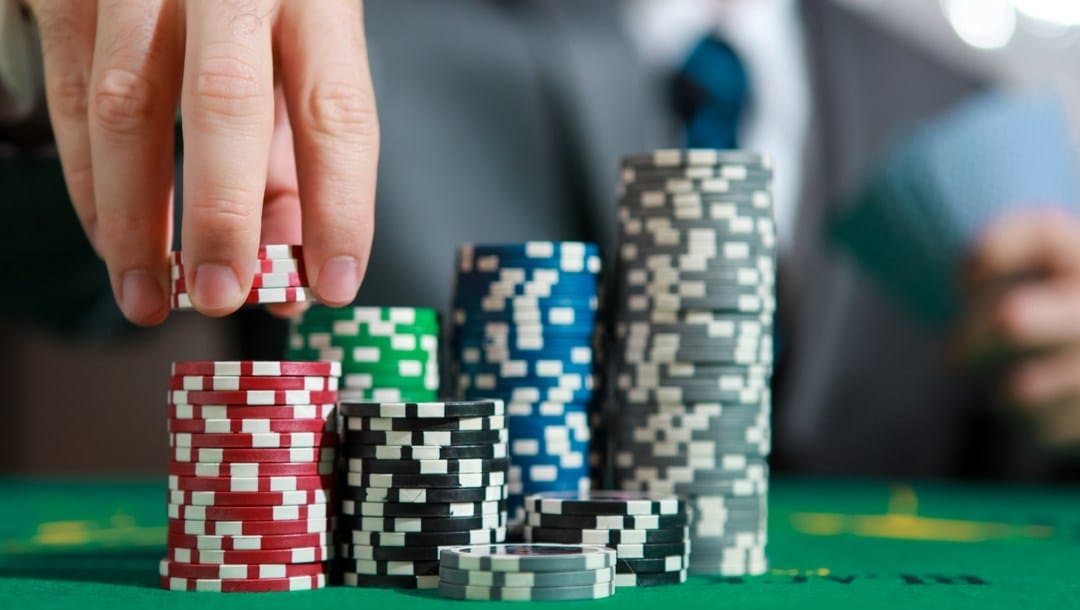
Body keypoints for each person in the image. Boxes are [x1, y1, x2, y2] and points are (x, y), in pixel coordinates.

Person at [1, 0, 1078, 480]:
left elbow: (1024, 459)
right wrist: (24, 64)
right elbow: (65, 278)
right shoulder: (334, 26)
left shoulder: (965, 103)